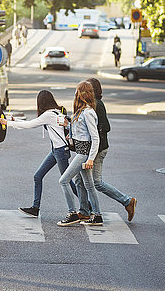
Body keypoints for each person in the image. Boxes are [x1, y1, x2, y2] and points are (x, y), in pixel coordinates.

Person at [0, 90, 90, 218]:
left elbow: (30, 125)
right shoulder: (55, 112)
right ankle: (35, 208)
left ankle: (87, 207)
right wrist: (15, 120)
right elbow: (35, 121)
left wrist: (8, 123)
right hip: (56, 150)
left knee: (67, 181)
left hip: (60, 151)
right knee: (38, 176)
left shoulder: (49, 115)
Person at [86, 78, 137, 222]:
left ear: (93, 90)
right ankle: (86, 210)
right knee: (82, 180)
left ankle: (127, 201)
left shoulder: (97, 104)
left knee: (97, 183)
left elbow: (106, 127)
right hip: (93, 149)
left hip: (98, 149)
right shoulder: (91, 104)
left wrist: (93, 132)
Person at [57, 81, 103, 226]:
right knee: (88, 184)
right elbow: (81, 130)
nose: (75, 94)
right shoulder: (80, 111)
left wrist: (91, 158)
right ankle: (96, 215)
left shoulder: (89, 112)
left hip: (83, 154)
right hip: (79, 151)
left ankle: (72, 213)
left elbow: (95, 137)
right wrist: (68, 125)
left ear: (83, 94)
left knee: (64, 180)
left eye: (78, 91)